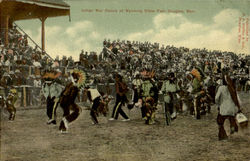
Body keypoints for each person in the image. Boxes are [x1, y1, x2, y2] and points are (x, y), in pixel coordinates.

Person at [215, 74, 241, 141]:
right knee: (231, 118)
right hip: (232, 109)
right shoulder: (232, 88)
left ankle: (223, 136)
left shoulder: (221, 88)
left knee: (220, 122)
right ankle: (233, 128)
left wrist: (218, 104)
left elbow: (216, 98)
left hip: (223, 108)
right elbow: (237, 99)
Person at [59, 69, 86, 133]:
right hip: (67, 101)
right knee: (78, 110)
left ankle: (62, 128)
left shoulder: (70, 84)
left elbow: (63, 93)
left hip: (62, 100)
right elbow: (71, 97)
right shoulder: (74, 86)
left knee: (66, 113)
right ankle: (66, 122)